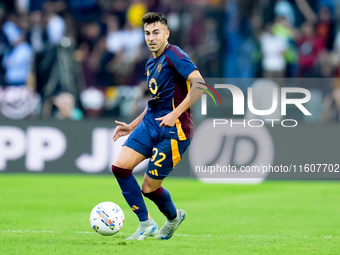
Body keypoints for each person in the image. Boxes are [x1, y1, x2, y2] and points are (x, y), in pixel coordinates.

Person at [111, 12, 205, 240]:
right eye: (147, 33)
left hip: (175, 131)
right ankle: (146, 223)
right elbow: (154, 101)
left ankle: (173, 218)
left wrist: (175, 113)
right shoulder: (151, 63)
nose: (151, 37)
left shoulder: (175, 55)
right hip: (151, 124)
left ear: (166, 34)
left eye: (156, 33)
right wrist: (132, 126)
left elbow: (200, 85)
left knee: (149, 189)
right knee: (120, 167)